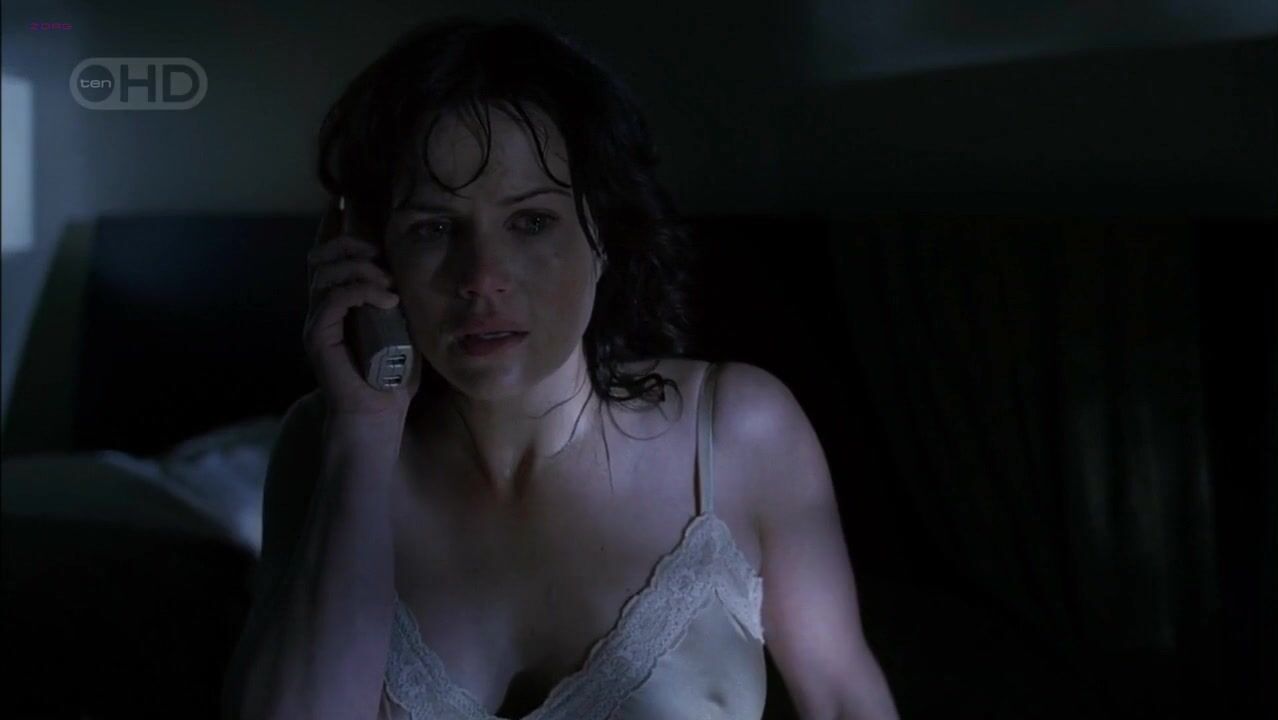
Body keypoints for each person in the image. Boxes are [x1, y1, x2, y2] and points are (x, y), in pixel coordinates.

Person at [222, 14, 898, 720]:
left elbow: (846, 703)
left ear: (602, 233)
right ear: (370, 251)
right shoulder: (325, 449)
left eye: (531, 222)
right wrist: (362, 433)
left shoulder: (739, 431)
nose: (482, 278)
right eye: (434, 228)